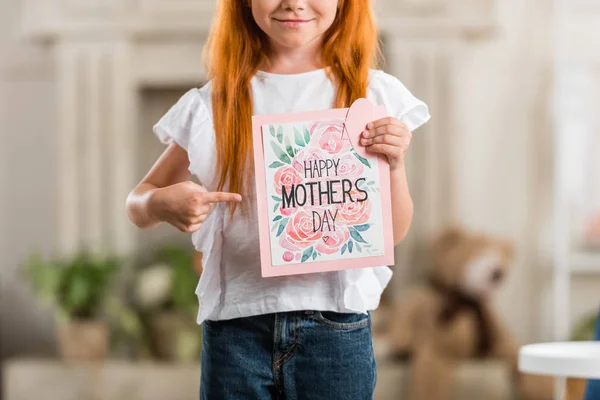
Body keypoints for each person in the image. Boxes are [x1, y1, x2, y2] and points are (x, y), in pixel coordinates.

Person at [126, 0, 430, 398]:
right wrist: (161, 204)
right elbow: (138, 202)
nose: (294, 2)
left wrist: (393, 167)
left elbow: (390, 236)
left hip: (336, 329)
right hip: (236, 330)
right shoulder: (215, 103)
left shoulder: (372, 96)